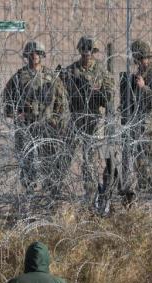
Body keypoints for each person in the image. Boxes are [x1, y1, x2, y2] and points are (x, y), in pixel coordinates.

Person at [2, 41, 70, 195]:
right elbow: (8, 96)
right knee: (27, 157)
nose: (34, 56)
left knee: (47, 156)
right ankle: (29, 189)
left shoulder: (51, 77)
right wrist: (14, 114)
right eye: (31, 53)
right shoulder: (20, 76)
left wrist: (56, 120)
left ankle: (49, 188)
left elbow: (62, 101)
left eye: (38, 53)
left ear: (42, 55)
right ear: (27, 55)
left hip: (46, 124)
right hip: (26, 123)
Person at [60, 36, 115, 202]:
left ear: (95, 52)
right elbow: (61, 95)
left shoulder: (101, 71)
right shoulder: (70, 71)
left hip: (94, 119)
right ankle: (56, 185)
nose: (87, 54)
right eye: (84, 50)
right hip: (76, 118)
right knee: (65, 154)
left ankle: (91, 192)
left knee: (89, 157)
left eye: (90, 51)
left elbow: (109, 95)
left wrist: (95, 92)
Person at [120, 39, 152, 195]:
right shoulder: (138, 74)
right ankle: (143, 188)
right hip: (137, 122)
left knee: (148, 158)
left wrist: (143, 87)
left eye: (144, 58)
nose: (142, 62)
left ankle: (151, 190)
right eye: (139, 59)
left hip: (149, 122)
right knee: (140, 160)